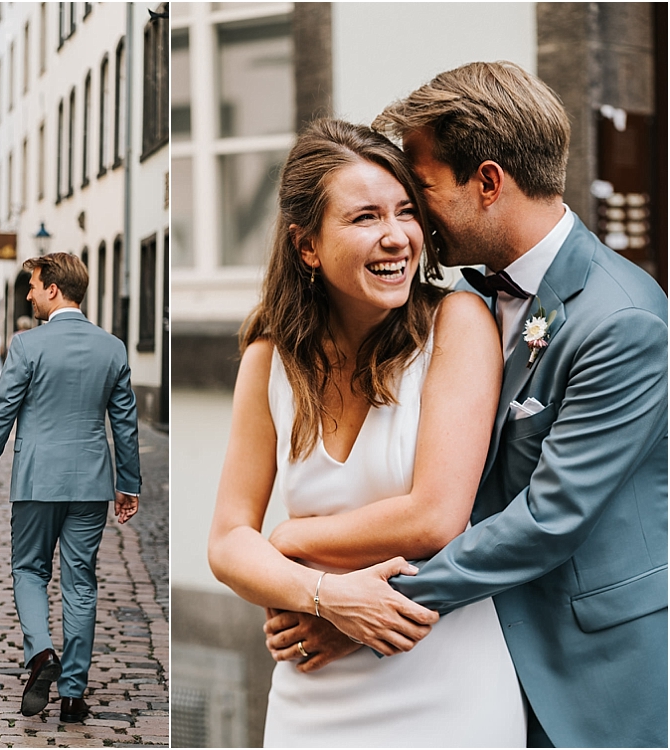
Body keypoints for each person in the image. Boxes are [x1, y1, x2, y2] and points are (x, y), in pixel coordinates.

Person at [266, 62, 668, 748]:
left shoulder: (622, 320)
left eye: (419, 191)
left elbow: (550, 517)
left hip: (588, 667)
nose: (412, 219)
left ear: (486, 182)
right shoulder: (468, 301)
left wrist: (360, 606)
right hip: (473, 652)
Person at [207, 118, 525, 747]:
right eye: (364, 218)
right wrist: (323, 595)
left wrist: (293, 537)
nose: (396, 238)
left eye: (407, 212)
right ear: (306, 246)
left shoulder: (458, 323)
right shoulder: (269, 359)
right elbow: (225, 542)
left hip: (445, 683)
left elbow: (436, 517)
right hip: (312, 689)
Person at [0, 253, 142, 724]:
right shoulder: (114, 348)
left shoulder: (27, 346)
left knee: (29, 570)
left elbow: (1, 415)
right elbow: (125, 424)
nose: (29, 294)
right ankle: (74, 695)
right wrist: (129, 484)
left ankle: (41, 654)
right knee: (81, 581)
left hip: (37, 480)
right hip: (91, 484)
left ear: (54, 289)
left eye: (34, 285)